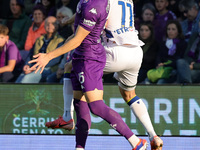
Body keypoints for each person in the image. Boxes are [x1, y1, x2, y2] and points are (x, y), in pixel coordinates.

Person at [42, 1, 163, 150]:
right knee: (129, 94)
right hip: (135, 51)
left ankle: (67, 116)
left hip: (114, 50)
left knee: (72, 68)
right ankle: (153, 136)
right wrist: (69, 20)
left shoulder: (103, 2)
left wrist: (56, 49)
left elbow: (92, 21)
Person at [16, 16, 64, 83]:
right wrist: (27, 65)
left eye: (53, 23)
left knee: (27, 79)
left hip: (49, 68)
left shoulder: (60, 40)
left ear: (57, 26)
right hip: (35, 66)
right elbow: (31, 55)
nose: (49, 25)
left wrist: (37, 66)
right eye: (47, 23)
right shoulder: (39, 39)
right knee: (19, 79)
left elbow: (57, 59)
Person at [147, 20, 187, 84]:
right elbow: (158, 56)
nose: (170, 31)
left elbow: (180, 59)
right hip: (162, 69)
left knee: (161, 82)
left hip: (174, 69)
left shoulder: (183, 44)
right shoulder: (163, 44)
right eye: (168, 29)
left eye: (173, 29)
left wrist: (166, 64)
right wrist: (159, 63)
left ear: (178, 31)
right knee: (147, 81)